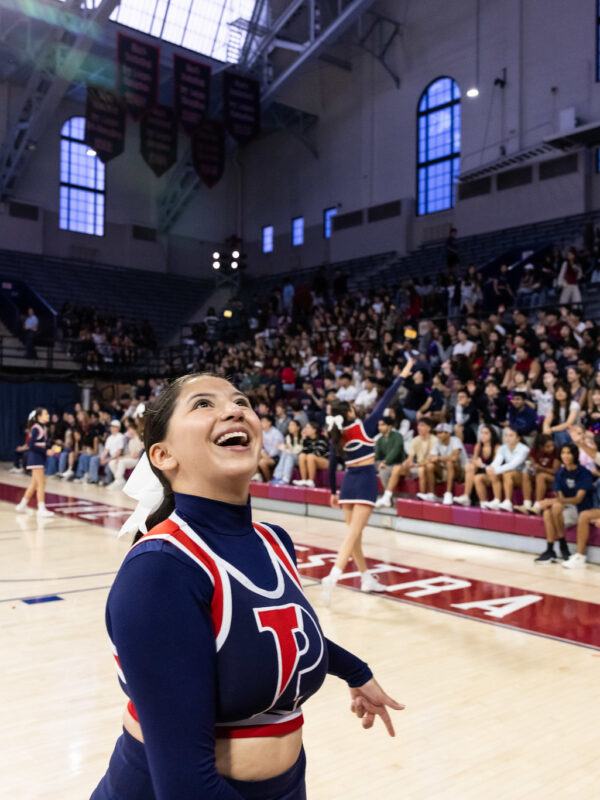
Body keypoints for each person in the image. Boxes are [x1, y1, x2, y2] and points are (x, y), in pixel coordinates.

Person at [90, 374, 404, 800]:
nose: (235, 409)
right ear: (162, 454)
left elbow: (267, 638)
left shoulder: (275, 540)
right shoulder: (159, 569)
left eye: (241, 401)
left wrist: (356, 671)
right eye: (203, 404)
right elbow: (185, 786)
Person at [322, 359, 414, 603]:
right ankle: (333, 574)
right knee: (353, 535)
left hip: (346, 484)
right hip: (364, 483)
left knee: (356, 537)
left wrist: (333, 491)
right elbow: (385, 400)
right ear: (350, 413)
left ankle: (366, 578)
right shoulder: (365, 427)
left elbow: (332, 465)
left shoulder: (336, 435)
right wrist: (402, 375)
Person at [534, 443, 594, 564]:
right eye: (563, 453)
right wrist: (556, 501)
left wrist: (555, 501)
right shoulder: (560, 473)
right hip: (565, 508)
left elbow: (578, 499)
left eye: (569, 453)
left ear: (575, 455)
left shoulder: (584, 473)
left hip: (581, 509)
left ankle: (563, 546)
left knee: (555, 506)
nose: (565, 456)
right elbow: (560, 497)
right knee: (547, 512)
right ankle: (551, 550)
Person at [476, 427, 529, 511]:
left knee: (506, 473)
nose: (507, 438)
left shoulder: (524, 449)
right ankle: (496, 500)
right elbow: (496, 462)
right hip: (509, 473)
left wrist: (495, 470)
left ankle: (508, 501)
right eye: (506, 435)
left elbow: (513, 465)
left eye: (511, 436)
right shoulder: (503, 448)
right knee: (479, 477)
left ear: (518, 439)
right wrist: (489, 468)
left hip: (524, 476)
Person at [15, 408, 55, 518]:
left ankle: (22, 505)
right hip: (35, 458)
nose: (48, 415)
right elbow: (31, 445)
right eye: (46, 414)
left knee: (34, 484)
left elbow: (42, 443)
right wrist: (46, 450)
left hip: (39, 458)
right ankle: (41, 509)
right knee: (42, 483)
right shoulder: (36, 428)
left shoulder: (43, 427)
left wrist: (50, 448)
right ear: (39, 417)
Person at [453, 425, 500, 506]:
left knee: (477, 478)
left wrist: (482, 465)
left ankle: (485, 502)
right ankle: (466, 497)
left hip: (493, 473)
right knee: (469, 466)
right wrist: (473, 461)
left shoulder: (497, 447)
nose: (483, 435)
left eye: (486, 433)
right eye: (481, 433)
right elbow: (475, 460)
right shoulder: (478, 446)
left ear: (492, 435)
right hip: (481, 470)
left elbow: (495, 466)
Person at [514, 434, 559, 515]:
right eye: (548, 446)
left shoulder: (556, 451)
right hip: (539, 477)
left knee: (541, 475)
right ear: (540, 447)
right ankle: (526, 504)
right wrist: (532, 467)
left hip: (554, 479)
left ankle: (538, 506)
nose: (551, 448)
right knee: (526, 473)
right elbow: (533, 465)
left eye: (552, 445)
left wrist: (541, 468)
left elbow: (555, 471)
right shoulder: (533, 451)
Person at [374, 416, 407, 507]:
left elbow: (395, 452)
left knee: (384, 470)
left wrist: (384, 462)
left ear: (389, 426)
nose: (379, 427)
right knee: (378, 470)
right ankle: (386, 499)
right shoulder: (380, 439)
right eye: (379, 425)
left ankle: (387, 498)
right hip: (388, 464)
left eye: (382, 425)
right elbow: (377, 455)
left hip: (399, 464)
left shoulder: (397, 436)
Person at [108, 419, 145, 491]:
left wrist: (122, 458)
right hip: (130, 458)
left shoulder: (138, 439)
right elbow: (129, 453)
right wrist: (122, 457)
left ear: (135, 430)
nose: (129, 431)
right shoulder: (131, 440)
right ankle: (119, 480)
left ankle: (119, 481)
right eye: (128, 430)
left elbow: (136, 455)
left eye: (130, 429)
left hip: (135, 460)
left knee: (121, 462)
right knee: (112, 462)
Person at [292, 421, 329, 488]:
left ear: (314, 430)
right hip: (313, 460)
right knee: (302, 456)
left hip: (326, 461)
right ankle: (303, 479)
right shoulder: (307, 439)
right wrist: (303, 439)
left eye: (308, 428)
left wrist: (307, 452)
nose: (305, 429)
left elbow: (318, 453)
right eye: (305, 428)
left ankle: (311, 481)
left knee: (310, 456)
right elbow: (303, 452)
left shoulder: (322, 438)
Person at [542, 382, 579, 446]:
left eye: (562, 391)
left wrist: (550, 429)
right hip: (558, 430)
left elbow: (568, 423)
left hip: (573, 429)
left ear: (567, 393)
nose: (559, 393)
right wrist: (546, 429)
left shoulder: (574, 405)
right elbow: (547, 421)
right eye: (557, 391)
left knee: (560, 435)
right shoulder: (553, 406)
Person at [271, 418, 303, 484]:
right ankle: (278, 477)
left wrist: (284, 447)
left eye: (292, 425)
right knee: (285, 454)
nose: (290, 427)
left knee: (287, 454)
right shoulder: (288, 437)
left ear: (298, 427)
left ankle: (286, 478)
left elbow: (298, 450)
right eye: (289, 425)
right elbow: (289, 449)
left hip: (299, 459)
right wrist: (285, 448)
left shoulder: (302, 437)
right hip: (290, 456)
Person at [253, 414, 284, 482]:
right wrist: (263, 453)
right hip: (265, 455)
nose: (261, 423)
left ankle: (268, 480)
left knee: (262, 462)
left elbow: (276, 449)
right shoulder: (262, 432)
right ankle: (258, 476)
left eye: (263, 421)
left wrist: (267, 456)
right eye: (261, 421)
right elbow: (260, 445)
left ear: (269, 423)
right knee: (253, 458)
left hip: (276, 457)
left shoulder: (276, 433)